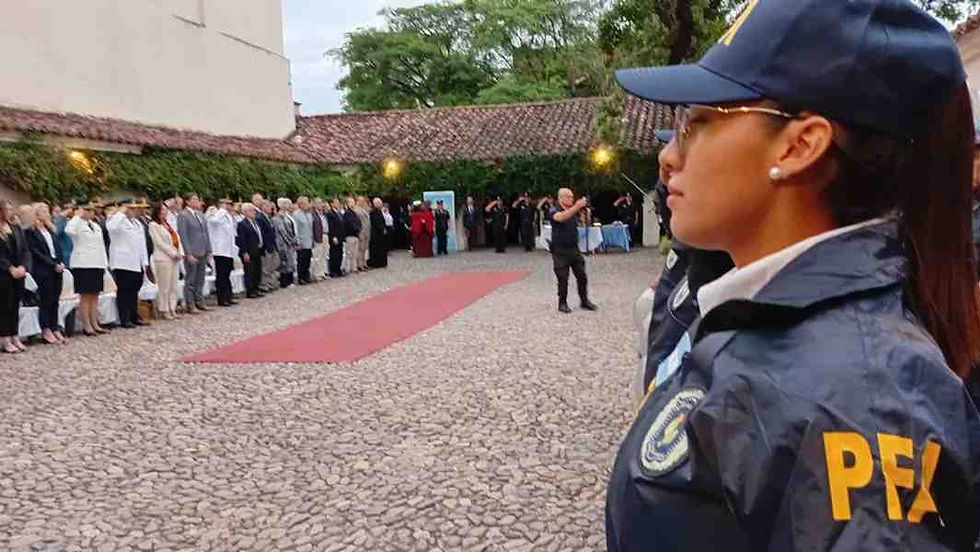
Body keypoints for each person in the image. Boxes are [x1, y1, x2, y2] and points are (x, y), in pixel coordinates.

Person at [608, 1, 980, 549]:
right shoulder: (769, 312)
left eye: (697, 122)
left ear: (800, 145)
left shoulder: (862, 399)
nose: (667, 157)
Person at [548, 188, 597, 314]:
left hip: (574, 249)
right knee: (563, 278)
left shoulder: (573, 211)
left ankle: (584, 300)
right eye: (569, 197)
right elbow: (561, 218)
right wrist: (576, 207)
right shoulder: (554, 209)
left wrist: (585, 214)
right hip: (560, 250)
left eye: (572, 197)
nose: (572, 199)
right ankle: (562, 302)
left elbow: (577, 221)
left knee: (582, 275)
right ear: (561, 198)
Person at [26, 202, 68, 344]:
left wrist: (61, 262)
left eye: (47, 211)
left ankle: (54, 326)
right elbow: (36, 252)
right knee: (46, 299)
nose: (47, 213)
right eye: (43, 211)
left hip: (57, 267)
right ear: (36, 213)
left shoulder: (50, 230)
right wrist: (52, 264)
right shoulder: (31, 231)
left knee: (55, 299)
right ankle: (45, 329)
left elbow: (57, 248)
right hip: (44, 269)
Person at [65, 203, 109, 336]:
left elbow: (101, 245)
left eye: (91, 210)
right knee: (85, 295)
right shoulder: (76, 224)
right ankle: (86, 325)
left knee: (95, 295)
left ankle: (95, 323)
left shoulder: (95, 225)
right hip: (83, 264)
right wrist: (77, 216)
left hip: (97, 263)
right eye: (87, 210)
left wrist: (104, 264)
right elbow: (69, 231)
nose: (90, 213)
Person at [107, 201, 150, 328]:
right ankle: (124, 318)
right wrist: (120, 212)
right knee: (124, 290)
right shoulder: (116, 220)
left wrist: (145, 261)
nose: (136, 211)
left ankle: (133, 315)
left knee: (135, 290)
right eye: (133, 208)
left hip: (136, 262)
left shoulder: (137, 223)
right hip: (123, 262)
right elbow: (111, 228)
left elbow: (142, 244)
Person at [0, 200, 29, 353]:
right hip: (3, 274)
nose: (11, 211)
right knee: (5, 306)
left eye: (12, 209)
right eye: (7, 209)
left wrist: (23, 266)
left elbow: (24, 250)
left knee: (15, 305)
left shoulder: (16, 228)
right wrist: (9, 268)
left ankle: (14, 335)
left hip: (18, 273)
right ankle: (5, 338)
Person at [177, 194, 212, 314]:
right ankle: (190, 303)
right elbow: (183, 235)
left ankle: (199, 300)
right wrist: (188, 253)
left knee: (200, 278)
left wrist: (209, 249)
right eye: (194, 199)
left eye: (198, 199)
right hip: (192, 251)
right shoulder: (183, 215)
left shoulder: (200, 215)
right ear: (187, 202)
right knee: (191, 278)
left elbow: (206, 233)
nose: (197, 201)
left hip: (203, 249)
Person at [148, 202, 183, 320]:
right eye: (162, 210)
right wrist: (172, 253)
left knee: (173, 284)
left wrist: (179, 253)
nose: (165, 212)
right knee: (165, 285)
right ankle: (164, 308)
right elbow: (159, 242)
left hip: (174, 258)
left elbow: (176, 239)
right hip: (163, 258)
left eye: (166, 210)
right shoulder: (153, 225)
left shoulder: (169, 224)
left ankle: (172, 307)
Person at [206, 199, 238, 307]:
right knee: (221, 275)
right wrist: (221, 210)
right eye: (226, 204)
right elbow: (213, 222)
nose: (229, 206)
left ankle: (228, 296)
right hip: (219, 250)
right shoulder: (215, 214)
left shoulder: (228, 216)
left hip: (228, 250)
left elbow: (231, 233)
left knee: (227, 274)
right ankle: (222, 298)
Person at [236, 203, 265, 299]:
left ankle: (256, 288)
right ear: (245, 212)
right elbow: (242, 240)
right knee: (250, 271)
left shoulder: (256, 222)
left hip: (257, 250)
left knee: (257, 271)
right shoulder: (242, 224)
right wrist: (244, 252)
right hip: (249, 251)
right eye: (251, 211)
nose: (254, 213)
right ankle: (250, 290)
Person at [256, 199, 280, 293]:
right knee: (266, 267)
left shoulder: (268, 218)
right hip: (266, 246)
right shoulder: (260, 218)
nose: (271, 208)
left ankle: (271, 283)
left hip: (272, 245)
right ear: (263, 207)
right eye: (269, 206)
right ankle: (264, 284)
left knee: (272, 266)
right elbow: (263, 234)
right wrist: (266, 246)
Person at [273, 198, 298, 288]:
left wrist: (294, 240)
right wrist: (291, 241)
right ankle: (285, 282)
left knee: (290, 261)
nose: (289, 206)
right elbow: (282, 231)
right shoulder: (278, 217)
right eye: (287, 204)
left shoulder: (288, 215)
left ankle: (290, 280)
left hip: (290, 242)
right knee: (285, 262)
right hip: (283, 243)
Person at [293, 196, 314, 284]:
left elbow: (311, 228)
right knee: (301, 260)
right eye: (305, 203)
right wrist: (297, 242)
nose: (307, 205)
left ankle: (306, 275)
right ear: (300, 204)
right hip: (301, 241)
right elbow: (295, 229)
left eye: (307, 203)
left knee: (307, 260)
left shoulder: (309, 214)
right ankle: (301, 277)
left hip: (309, 239)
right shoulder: (296, 214)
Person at [342, 197, 362, 273]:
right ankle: (347, 268)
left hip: (355, 235)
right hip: (349, 235)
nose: (352, 204)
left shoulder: (355, 213)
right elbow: (350, 224)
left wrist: (358, 229)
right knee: (349, 253)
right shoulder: (347, 213)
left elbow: (359, 222)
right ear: (347, 204)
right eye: (351, 202)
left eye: (353, 202)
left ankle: (353, 267)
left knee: (354, 253)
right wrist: (356, 228)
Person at [326, 198, 346, 278]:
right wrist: (333, 236)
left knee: (340, 253)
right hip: (334, 236)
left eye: (338, 203)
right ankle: (333, 270)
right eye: (336, 203)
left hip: (340, 236)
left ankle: (338, 269)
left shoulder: (339, 213)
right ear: (332, 204)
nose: (338, 204)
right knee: (334, 254)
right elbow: (331, 226)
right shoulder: (330, 213)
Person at [368, 198, 389, 268]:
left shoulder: (379, 211)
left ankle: (381, 262)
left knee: (381, 248)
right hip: (376, 233)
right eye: (379, 203)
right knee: (376, 249)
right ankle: (376, 263)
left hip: (380, 233)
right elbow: (376, 222)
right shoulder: (373, 212)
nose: (381, 204)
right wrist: (382, 228)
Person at [311, 198, 328, 281]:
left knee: (323, 255)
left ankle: (322, 272)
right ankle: (316, 274)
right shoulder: (313, 214)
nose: (320, 205)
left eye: (321, 203)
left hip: (325, 235)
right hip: (318, 236)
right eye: (318, 203)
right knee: (317, 256)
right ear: (314, 204)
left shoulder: (323, 214)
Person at [355, 196, 372, 271]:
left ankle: (364, 263)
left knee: (365, 248)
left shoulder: (364, 209)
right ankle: (359, 264)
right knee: (360, 249)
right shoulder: (356, 210)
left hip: (367, 231)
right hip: (361, 231)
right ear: (358, 201)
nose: (362, 202)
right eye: (361, 201)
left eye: (363, 201)